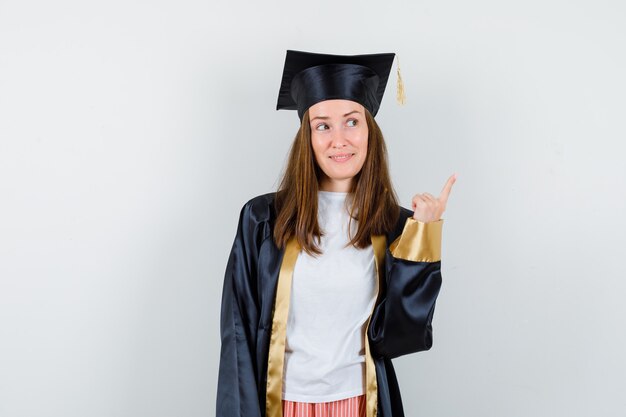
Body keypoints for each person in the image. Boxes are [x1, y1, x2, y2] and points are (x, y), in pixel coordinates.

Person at [216, 49, 456, 417]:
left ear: (370, 131)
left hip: (362, 404)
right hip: (281, 404)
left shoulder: (395, 225)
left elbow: (400, 338)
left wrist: (423, 237)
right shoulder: (264, 219)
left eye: (352, 122)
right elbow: (238, 333)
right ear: (308, 137)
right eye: (323, 125)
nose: (338, 139)